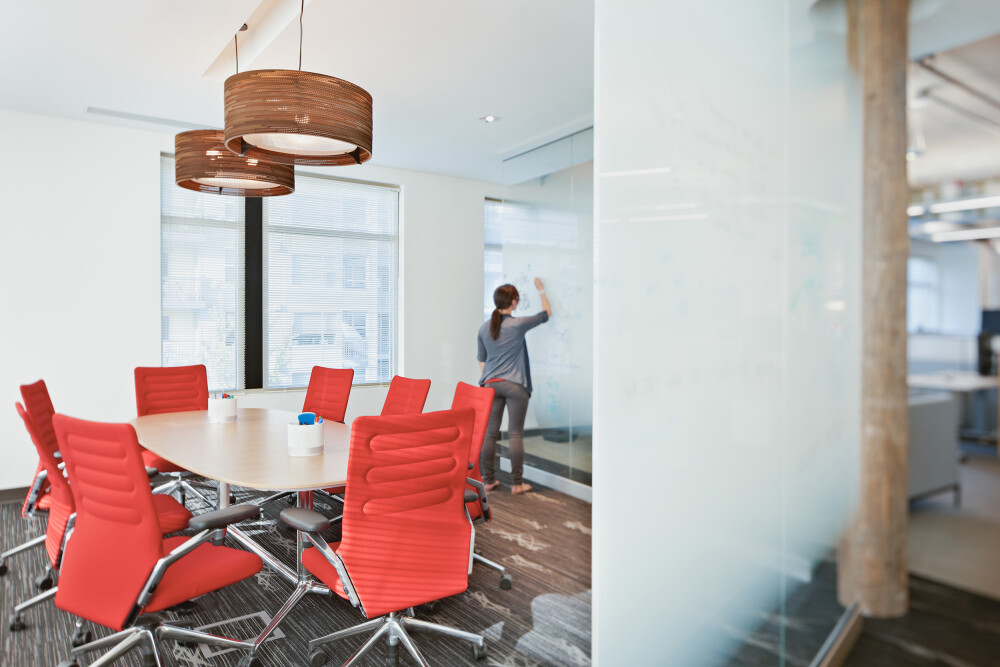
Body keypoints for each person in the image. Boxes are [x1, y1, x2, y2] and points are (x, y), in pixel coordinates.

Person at [477, 277, 552, 494]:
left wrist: (493, 378)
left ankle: (488, 480)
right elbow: (546, 314)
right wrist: (541, 290)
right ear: (513, 302)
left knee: (490, 434)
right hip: (514, 386)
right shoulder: (517, 324)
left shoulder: (484, 328)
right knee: (515, 434)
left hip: (491, 385)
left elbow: (481, 361)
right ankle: (517, 483)